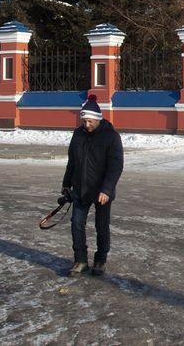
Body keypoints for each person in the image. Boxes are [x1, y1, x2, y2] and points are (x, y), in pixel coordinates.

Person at [60, 94, 124, 277]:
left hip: (101, 191)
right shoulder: (78, 134)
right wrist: (66, 184)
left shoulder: (111, 136)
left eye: (89, 121)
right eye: (84, 121)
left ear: (97, 119)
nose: (86, 125)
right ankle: (80, 260)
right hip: (80, 189)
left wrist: (107, 189)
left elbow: (116, 166)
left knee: (101, 226)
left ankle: (100, 260)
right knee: (76, 224)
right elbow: (72, 162)